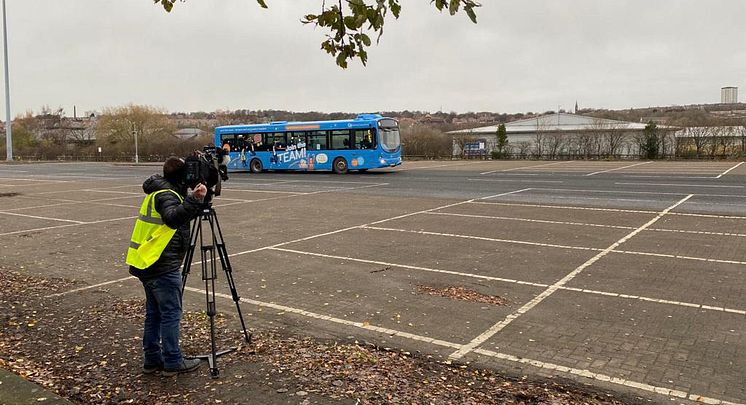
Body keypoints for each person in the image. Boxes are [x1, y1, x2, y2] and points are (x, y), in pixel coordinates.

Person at [126, 156, 208, 376]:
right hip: (161, 265)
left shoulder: (158, 191)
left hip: (148, 261)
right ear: (182, 177)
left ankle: (152, 360)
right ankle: (173, 360)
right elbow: (173, 219)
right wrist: (194, 199)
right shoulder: (166, 195)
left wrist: (191, 202)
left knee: (154, 314)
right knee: (171, 313)